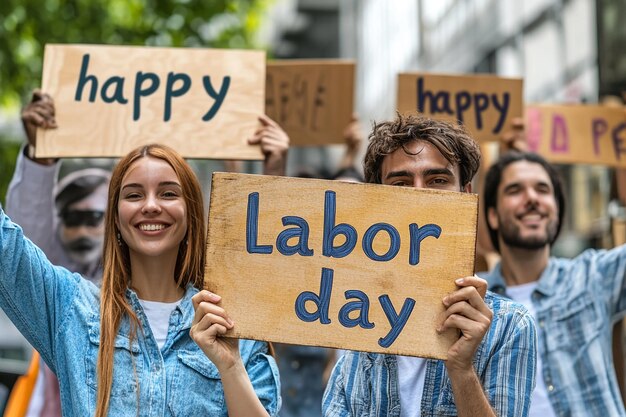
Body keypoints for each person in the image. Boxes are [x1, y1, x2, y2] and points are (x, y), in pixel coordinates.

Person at [2, 90, 289, 416]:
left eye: (168, 193)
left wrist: (230, 366)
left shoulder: (234, 324)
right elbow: (7, 248)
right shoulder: (71, 308)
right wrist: (40, 156)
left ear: (191, 212)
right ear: (116, 218)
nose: (151, 206)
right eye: (134, 195)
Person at [322, 113, 537, 417]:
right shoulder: (354, 322)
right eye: (401, 182)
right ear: (377, 201)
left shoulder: (510, 326)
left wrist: (462, 370)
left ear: (466, 195)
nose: (420, 195)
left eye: (437, 180)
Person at [481, 149, 626, 416]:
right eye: (515, 190)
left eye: (543, 189)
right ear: (492, 216)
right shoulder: (474, 298)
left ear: (557, 210)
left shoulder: (592, 276)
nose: (532, 199)